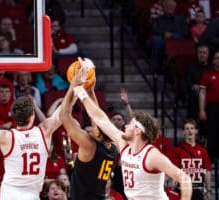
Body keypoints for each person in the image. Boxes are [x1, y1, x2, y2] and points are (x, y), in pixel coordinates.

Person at [73, 57, 192, 200]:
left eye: (130, 124)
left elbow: (184, 178)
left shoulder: (151, 155)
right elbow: (100, 118)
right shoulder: (123, 144)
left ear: (138, 131)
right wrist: (82, 92)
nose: (126, 125)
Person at [0, 83, 62, 200]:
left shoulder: (7, 136)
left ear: (14, 117)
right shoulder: (42, 133)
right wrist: (75, 89)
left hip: (8, 194)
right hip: (30, 195)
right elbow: (61, 113)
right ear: (32, 116)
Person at [59, 70, 118, 200]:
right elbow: (97, 115)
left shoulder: (90, 145)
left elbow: (64, 116)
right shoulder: (113, 147)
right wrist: (91, 90)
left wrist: (72, 86)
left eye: (94, 127)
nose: (91, 127)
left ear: (99, 133)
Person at [173, 119, 211, 200]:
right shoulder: (177, 150)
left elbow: (207, 171)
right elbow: (174, 169)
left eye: (192, 128)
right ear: (183, 132)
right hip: (183, 189)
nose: (189, 130)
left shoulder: (203, 151)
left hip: (198, 190)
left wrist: (208, 190)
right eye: (187, 128)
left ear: (196, 131)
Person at [199, 50, 219, 160]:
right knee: (212, 131)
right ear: (213, 60)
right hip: (212, 107)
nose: (218, 60)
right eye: (216, 58)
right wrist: (202, 110)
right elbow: (202, 93)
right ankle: (211, 157)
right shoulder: (207, 74)